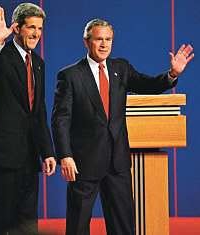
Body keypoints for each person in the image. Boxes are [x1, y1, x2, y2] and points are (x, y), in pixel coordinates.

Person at [51, 18, 194, 235]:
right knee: (78, 226)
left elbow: (148, 85)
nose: (104, 44)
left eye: (108, 39)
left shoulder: (121, 68)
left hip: (117, 162)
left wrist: (172, 74)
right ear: (86, 41)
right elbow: (60, 118)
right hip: (84, 162)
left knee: (123, 225)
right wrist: (65, 155)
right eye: (99, 39)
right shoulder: (70, 75)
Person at [0, 3, 56, 235]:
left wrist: (48, 151)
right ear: (16, 28)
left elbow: (38, 112)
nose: (36, 34)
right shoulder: (2, 55)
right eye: (31, 27)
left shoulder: (39, 64)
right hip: (2, 156)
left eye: (40, 28)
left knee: (27, 223)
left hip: (29, 158)